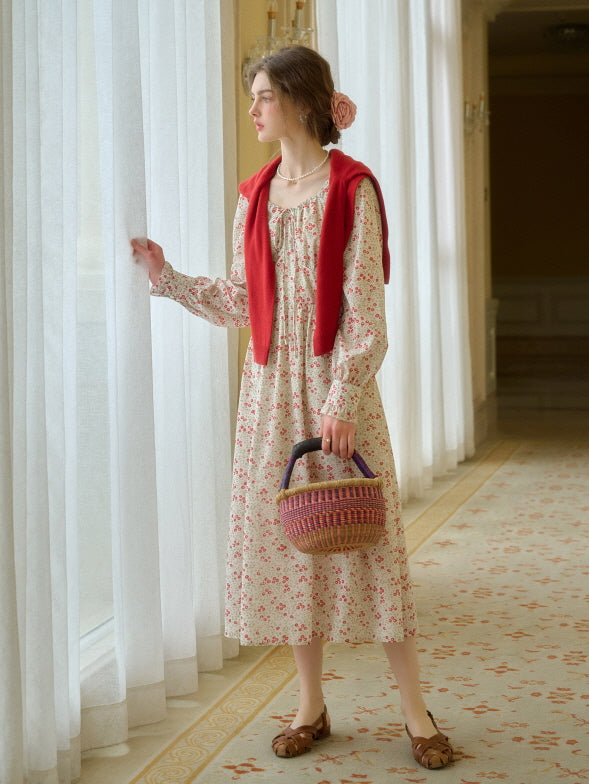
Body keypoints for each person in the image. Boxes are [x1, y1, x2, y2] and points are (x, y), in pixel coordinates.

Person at [132, 45, 453, 770]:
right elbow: (250, 302)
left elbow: (364, 312)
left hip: (336, 387)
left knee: (370, 547)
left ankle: (414, 709)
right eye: (252, 98)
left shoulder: (353, 189)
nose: (252, 111)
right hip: (270, 392)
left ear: (301, 101)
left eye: (263, 97)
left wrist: (341, 398)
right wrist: (170, 279)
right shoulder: (254, 195)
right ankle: (310, 704)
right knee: (292, 546)